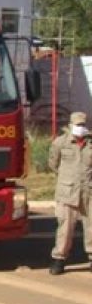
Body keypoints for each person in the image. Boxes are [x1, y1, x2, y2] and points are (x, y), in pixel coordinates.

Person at [48, 111, 92, 275]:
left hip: (88, 190)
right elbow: (53, 164)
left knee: (91, 227)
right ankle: (59, 259)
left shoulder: (90, 144)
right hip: (67, 191)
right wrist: (67, 178)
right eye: (78, 125)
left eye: (83, 125)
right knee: (65, 228)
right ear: (71, 125)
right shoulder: (60, 143)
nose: (81, 128)